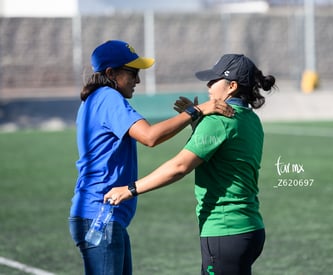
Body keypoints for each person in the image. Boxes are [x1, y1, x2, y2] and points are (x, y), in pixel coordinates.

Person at [68, 40, 234, 275]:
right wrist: (197, 110)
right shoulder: (107, 97)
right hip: (100, 214)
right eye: (133, 73)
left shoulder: (98, 98)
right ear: (110, 73)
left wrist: (192, 117)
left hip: (105, 216)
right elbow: (149, 136)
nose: (137, 80)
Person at [104, 53, 276, 275]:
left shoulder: (217, 121)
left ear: (232, 86)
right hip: (250, 229)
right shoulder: (250, 119)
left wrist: (129, 189)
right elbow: (226, 156)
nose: (209, 85)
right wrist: (198, 125)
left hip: (225, 231)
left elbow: (179, 167)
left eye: (214, 80)